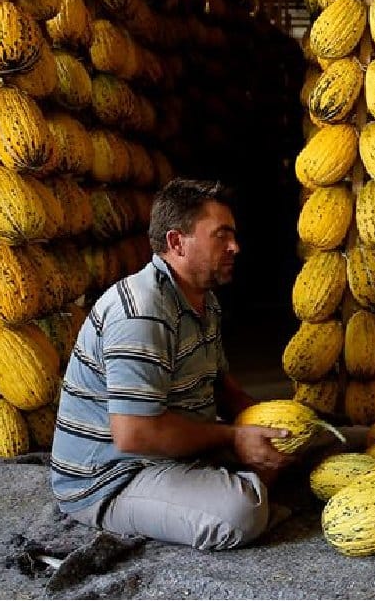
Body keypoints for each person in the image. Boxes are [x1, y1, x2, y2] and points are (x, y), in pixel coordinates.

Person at [51, 178, 300, 551]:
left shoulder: (204, 301)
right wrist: (234, 437)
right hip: (113, 477)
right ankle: (252, 490)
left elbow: (221, 386)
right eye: (221, 235)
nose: (235, 247)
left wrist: (271, 422)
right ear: (176, 242)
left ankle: (251, 481)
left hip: (176, 452)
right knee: (239, 513)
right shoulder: (142, 310)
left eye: (233, 236)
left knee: (304, 445)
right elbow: (134, 434)